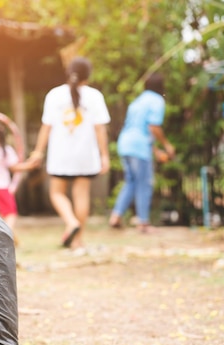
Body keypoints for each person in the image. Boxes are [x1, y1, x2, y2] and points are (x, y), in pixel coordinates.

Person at [27, 57, 111, 249]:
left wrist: (38, 152)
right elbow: (100, 130)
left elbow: (45, 128)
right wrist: (104, 155)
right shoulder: (95, 96)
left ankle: (70, 221)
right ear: (87, 76)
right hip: (86, 155)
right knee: (81, 195)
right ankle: (78, 240)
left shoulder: (54, 95)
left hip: (61, 155)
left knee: (57, 193)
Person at [108, 72, 175, 233]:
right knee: (144, 183)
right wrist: (167, 145)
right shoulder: (157, 100)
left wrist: (156, 150)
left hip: (125, 143)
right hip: (139, 146)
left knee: (131, 181)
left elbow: (140, 128)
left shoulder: (137, 101)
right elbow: (153, 127)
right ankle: (143, 223)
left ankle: (116, 216)